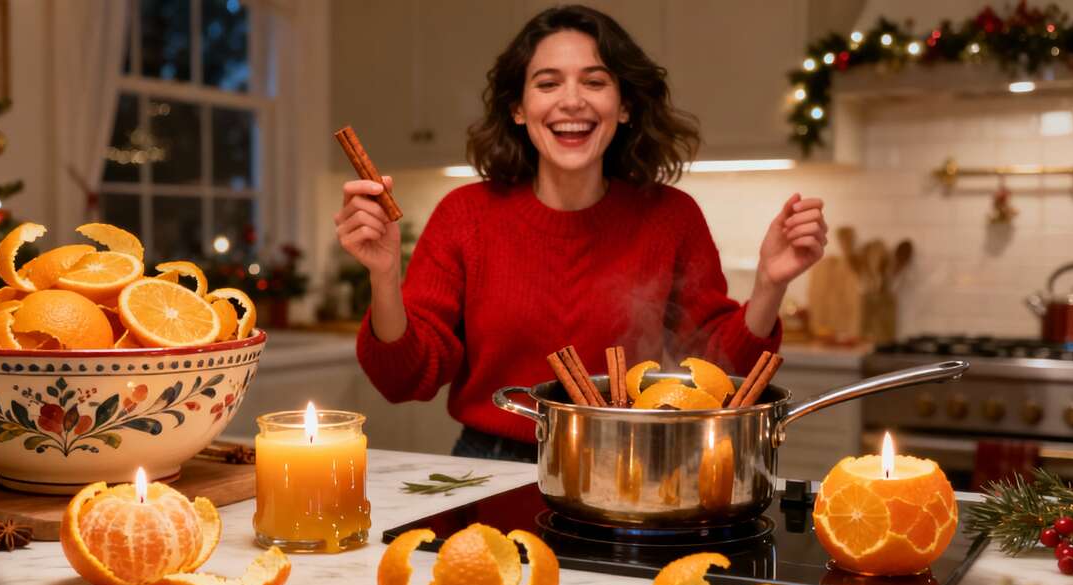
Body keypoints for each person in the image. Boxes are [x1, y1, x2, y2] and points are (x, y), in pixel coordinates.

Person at [334, 5, 827, 462]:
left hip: (629, 460)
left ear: (625, 105)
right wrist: (384, 276)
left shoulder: (671, 217)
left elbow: (719, 377)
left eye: (594, 81)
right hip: (491, 464)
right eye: (548, 83)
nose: (572, 101)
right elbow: (404, 381)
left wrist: (770, 284)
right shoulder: (465, 216)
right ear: (518, 108)